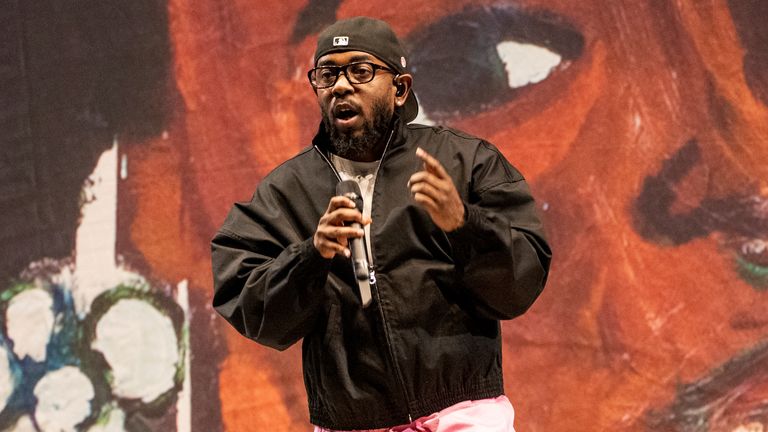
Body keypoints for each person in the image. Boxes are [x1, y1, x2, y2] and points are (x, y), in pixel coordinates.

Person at [210, 16, 551, 432]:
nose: (340, 85)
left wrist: (464, 224)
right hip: (352, 423)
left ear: (400, 88)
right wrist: (310, 255)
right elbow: (250, 305)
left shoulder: (464, 162)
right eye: (327, 73)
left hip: (464, 412)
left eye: (360, 70)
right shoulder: (287, 191)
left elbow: (522, 279)